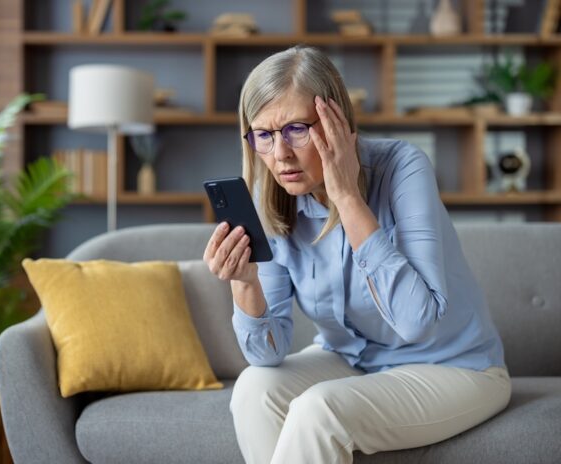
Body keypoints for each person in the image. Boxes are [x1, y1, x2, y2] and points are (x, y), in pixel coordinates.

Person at [202, 45, 511, 464]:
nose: (280, 155)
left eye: (295, 129)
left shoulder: (402, 167)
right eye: (264, 135)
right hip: (351, 358)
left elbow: (416, 322)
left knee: (319, 410)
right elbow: (267, 354)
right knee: (254, 388)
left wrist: (346, 197)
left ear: (335, 121)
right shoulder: (270, 194)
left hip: (456, 367)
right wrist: (244, 282)